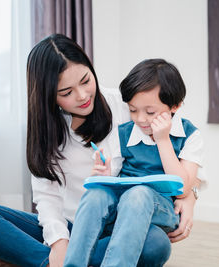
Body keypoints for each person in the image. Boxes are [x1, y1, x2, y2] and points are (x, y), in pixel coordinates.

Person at [0, 34, 199, 267]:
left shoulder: (126, 106)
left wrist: (189, 195)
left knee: (155, 244)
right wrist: (59, 243)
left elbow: (173, 129)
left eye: (86, 81)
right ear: (49, 96)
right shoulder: (47, 131)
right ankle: (54, 260)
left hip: (119, 228)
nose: (83, 96)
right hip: (72, 227)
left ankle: (32, 259)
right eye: (66, 93)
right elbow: (47, 198)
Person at [63, 59, 204, 266]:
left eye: (150, 112)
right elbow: (110, 180)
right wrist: (102, 173)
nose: (140, 119)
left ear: (175, 106)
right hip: (123, 206)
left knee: (138, 193)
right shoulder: (124, 133)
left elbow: (182, 189)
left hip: (161, 208)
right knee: (95, 194)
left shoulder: (189, 135)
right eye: (132, 109)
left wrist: (162, 140)